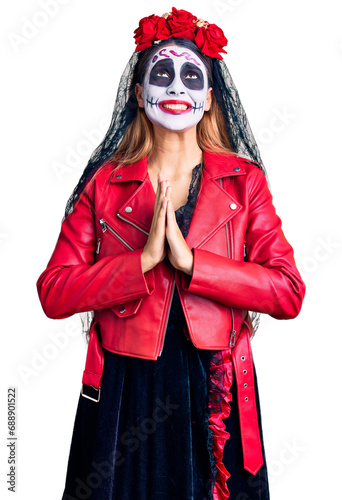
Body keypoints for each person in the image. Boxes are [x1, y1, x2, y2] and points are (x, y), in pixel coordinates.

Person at [36, 7, 306, 500]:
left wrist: (192, 264)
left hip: (216, 389)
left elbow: (288, 291)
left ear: (208, 96)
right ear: (139, 94)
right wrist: (139, 261)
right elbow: (53, 293)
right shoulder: (104, 182)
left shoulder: (244, 183)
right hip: (125, 389)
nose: (176, 87)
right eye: (161, 74)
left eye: (191, 76)